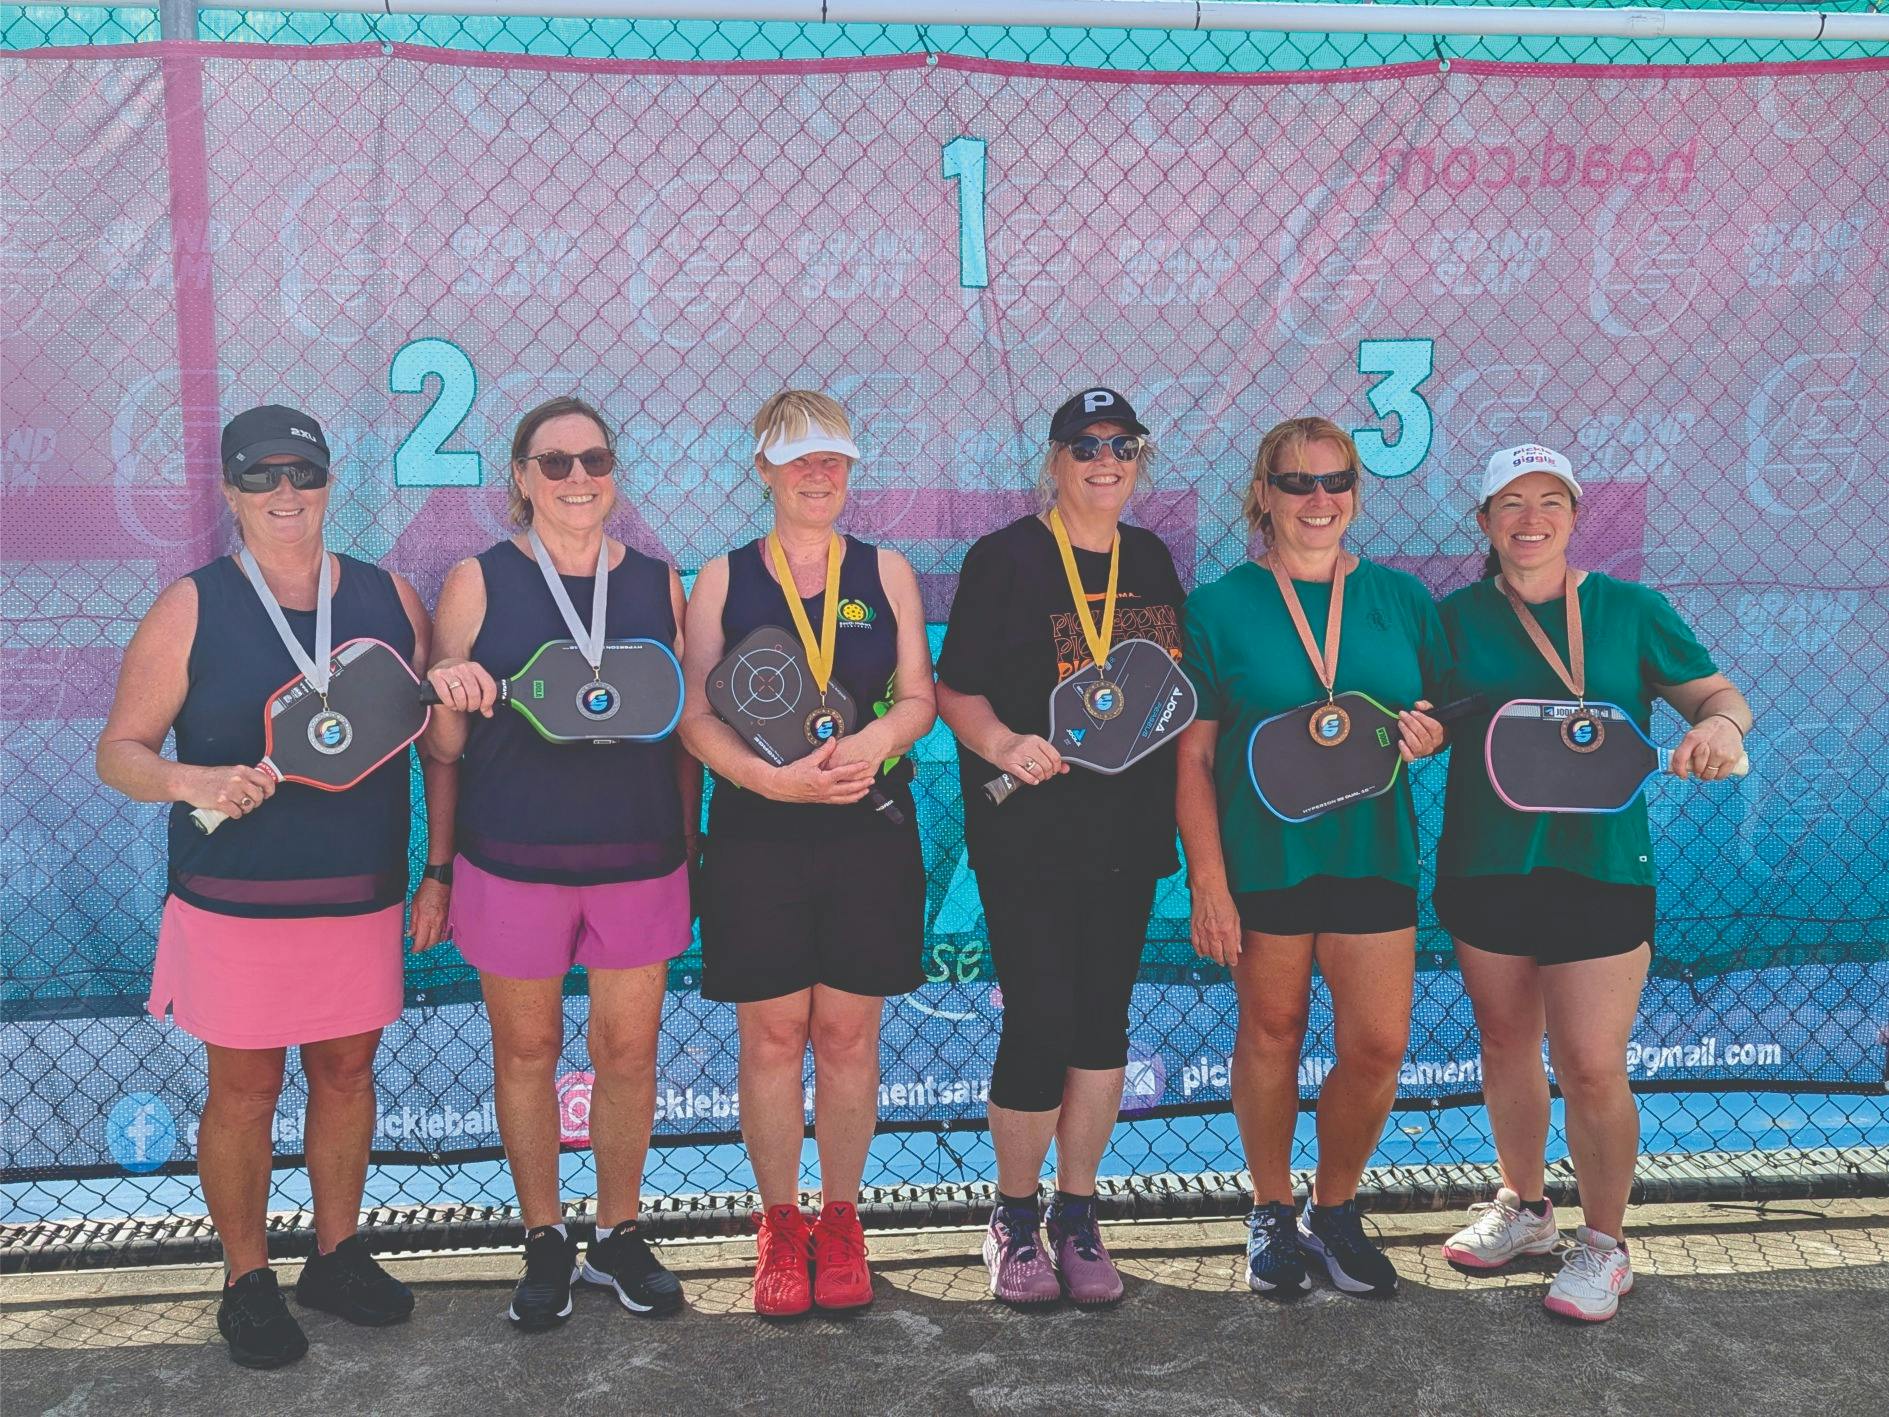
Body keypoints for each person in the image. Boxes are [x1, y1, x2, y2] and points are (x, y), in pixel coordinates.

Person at [96, 405, 447, 1368]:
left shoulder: (388, 598)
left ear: (330, 483)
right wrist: (191, 780)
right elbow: (118, 752)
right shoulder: (192, 603)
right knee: (245, 1092)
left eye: (301, 473)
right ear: (230, 493)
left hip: (358, 893)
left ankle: (334, 1257)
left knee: (345, 1076)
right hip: (234, 901)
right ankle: (246, 1278)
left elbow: (432, 733)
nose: (284, 493)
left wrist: (437, 868)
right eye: (260, 477)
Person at [1434, 444, 1751, 1322]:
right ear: (1484, 521)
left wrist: (1720, 728)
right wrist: (1412, 728)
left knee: (1589, 1063)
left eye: (1548, 502)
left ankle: (1604, 1246)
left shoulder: (1630, 610)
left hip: (1601, 869)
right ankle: (1525, 1209)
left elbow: (1719, 699)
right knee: (1505, 1044)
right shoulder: (1453, 620)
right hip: (1486, 864)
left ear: (1573, 519)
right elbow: (1411, 711)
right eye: (1509, 502)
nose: (1528, 519)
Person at [422, 395, 697, 1330]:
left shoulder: (662, 584)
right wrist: (447, 696)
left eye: (594, 459)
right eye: (555, 462)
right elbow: (445, 744)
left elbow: (682, 741)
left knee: (627, 1051)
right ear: (520, 479)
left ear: (613, 471)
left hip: (638, 858)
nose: (578, 477)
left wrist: (688, 853)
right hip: (512, 859)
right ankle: (544, 1234)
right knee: (527, 1050)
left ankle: (617, 1230)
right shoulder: (477, 577)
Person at [1176, 416, 1449, 1300]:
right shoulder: (1218, 607)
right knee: (1271, 1032)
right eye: (1296, 483)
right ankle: (1268, 1208)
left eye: (1335, 482)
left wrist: (1428, 734)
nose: (1317, 500)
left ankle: (1333, 1210)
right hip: (1264, 859)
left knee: (1375, 1045)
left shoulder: (1400, 599)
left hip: (1371, 852)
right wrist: (1207, 880)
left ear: (1357, 494)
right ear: (1263, 494)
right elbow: (1193, 758)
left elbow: (1440, 712)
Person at [678, 390, 934, 1317]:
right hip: (762, 831)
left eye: (833, 458)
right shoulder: (721, 577)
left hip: (866, 827)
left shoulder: (887, 570)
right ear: (764, 470)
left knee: (848, 1034)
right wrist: (767, 780)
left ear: (850, 468)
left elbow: (917, 698)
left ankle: (841, 1218)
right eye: (799, 458)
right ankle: (780, 1223)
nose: (818, 473)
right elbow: (695, 715)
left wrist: (868, 748)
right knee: (774, 1035)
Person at [936, 387, 1187, 1306]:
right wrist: (1004, 744)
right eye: (1084, 445)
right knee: (1038, 1018)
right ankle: (1013, 1214)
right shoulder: (1003, 560)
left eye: (1121, 443)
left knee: (1101, 1022)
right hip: (1028, 839)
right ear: (1053, 461)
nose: (1103, 459)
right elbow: (955, 691)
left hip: (1124, 835)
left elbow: (1166, 694)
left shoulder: (1151, 558)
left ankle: (1077, 1213)